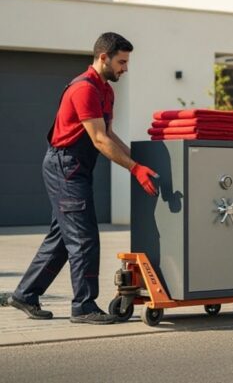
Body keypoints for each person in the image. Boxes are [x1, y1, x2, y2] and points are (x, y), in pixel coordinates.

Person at [9, 32, 159, 325]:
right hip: (65, 166)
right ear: (103, 57)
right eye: (121, 62)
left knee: (62, 238)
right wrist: (133, 168)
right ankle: (84, 306)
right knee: (83, 238)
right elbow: (100, 140)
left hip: (77, 166)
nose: (125, 68)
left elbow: (110, 134)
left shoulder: (106, 91)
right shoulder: (83, 89)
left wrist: (139, 162)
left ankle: (25, 294)